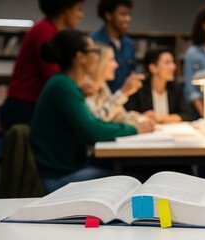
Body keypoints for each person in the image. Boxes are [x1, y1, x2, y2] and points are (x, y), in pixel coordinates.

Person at [30, 29, 155, 193]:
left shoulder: (67, 84)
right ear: (80, 57)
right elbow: (92, 130)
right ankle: (145, 218)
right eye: (94, 51)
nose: (98, 55)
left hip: (66, 169)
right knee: (141, 179)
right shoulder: (63, 86)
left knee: (140, 172)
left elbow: (94, 123)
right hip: (60, 178)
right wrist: (135, 129)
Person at [0, 0, 85, 131]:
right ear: (65, 10)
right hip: (24, 105)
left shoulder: (50, 30)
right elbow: (52, 73)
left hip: (29, 103)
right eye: (78, 9)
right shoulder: (44, 30)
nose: (81, 15)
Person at [85, 44, 147, 124]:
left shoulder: (103, 86)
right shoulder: (85, 87)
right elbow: (97, 121)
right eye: (111, 60)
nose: (116, 65)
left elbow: (118, 116)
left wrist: (142, 118)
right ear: (99, 62)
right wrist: (122, 93)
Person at [125, 48, 190, 123]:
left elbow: (186, 115)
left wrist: (161, 118)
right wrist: (142, 117)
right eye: (167, 63)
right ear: (153, 68)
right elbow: (128, 115)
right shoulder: (139, 89)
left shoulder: (175, 87)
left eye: (173, 62)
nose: (173, 67)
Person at [91, 0, 142, 93]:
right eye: (123, 14)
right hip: (100, 99)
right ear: (109, 15)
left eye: (129, 15)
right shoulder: (93, 42)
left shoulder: (129, 44)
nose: (128, 19)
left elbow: (132, 71)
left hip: (125, 100)